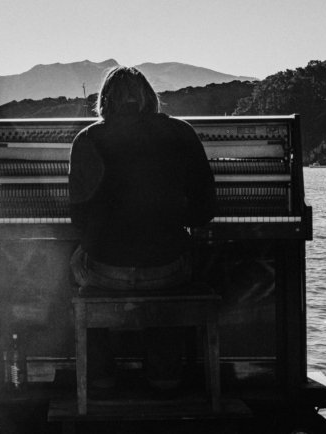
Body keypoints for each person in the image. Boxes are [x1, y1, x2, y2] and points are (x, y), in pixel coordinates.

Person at [68, 66, 216, 389]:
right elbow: (206, 210)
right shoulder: (182, 133)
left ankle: (100, 379)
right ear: (150, 98)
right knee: (177, 275)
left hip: (106, 270)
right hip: (167, 268)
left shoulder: (87, 139)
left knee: (72, 273)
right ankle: (166, 378)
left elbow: (78, 220)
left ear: (104, 102)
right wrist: (175, 216)